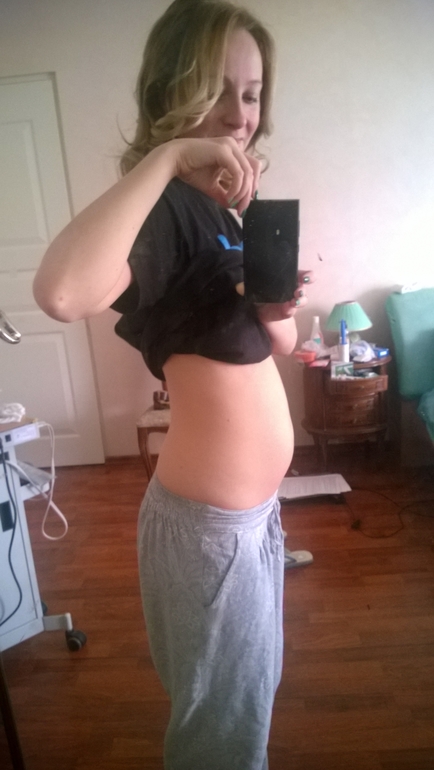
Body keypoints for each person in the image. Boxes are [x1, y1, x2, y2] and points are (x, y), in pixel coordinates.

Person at [33, 1, 313, 767]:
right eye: (216, 88)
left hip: (251, 519)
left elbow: (280, 345)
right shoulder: (164, 207)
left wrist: (274, 307)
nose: (240, 113)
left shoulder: (224, 212)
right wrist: (164, 159)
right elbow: (61, 292)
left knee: (241, 711)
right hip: (208, 530)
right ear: (169, 89)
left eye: (251, 93)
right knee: (220, 738)